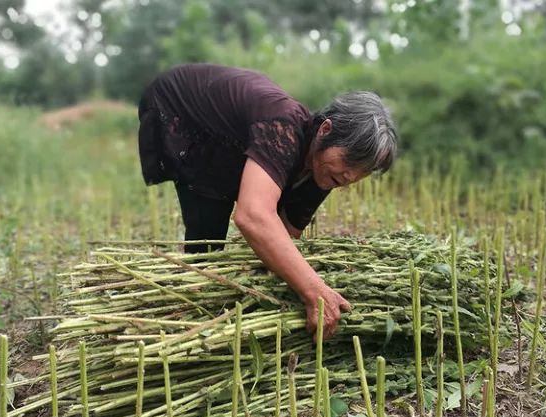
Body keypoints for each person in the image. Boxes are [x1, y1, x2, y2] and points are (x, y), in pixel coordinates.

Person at [137, 63, 398, 340]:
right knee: (208, 242)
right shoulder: (282, 126)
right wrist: (315, 291)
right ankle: (186, 323)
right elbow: (253, 216)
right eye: (349, 161)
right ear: (325, 130)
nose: (350, 176)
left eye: (362, 171)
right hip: (182, 108)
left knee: (265, 237)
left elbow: (287, 233)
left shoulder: (326, 170)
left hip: (233, 127)